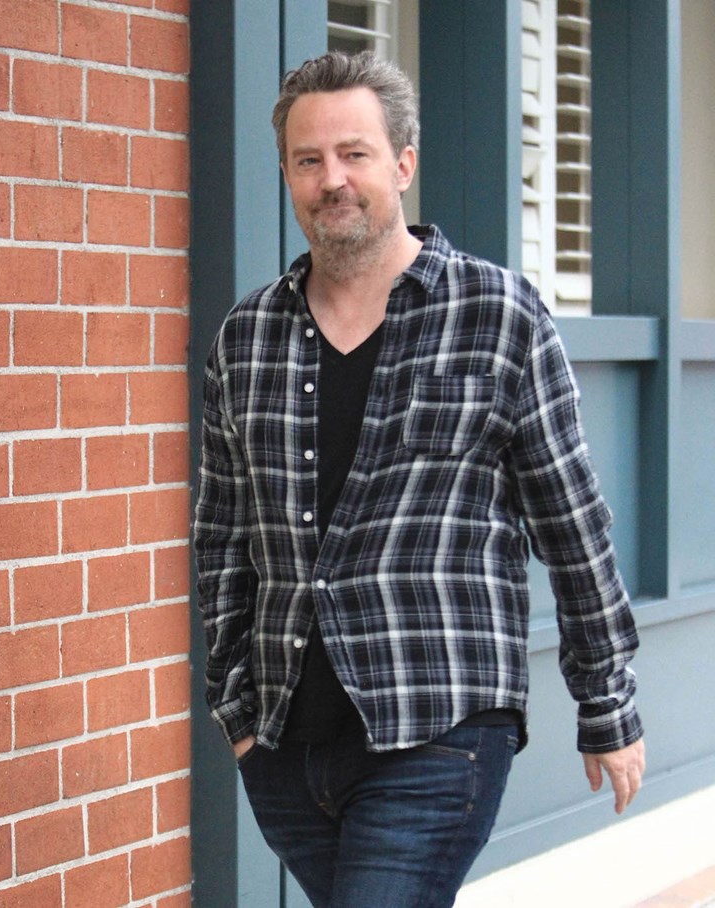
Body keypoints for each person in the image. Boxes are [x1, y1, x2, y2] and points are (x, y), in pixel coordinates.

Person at [194, 50, 645, 908]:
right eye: (308, 159)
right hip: (286, 749)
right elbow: (221, 535)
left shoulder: (499, 315)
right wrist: (237, 713)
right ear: (287, 175)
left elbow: (572, 524)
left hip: (440, 729)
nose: (332, 179)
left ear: (403, 163)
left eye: (355, 153)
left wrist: (607, 704)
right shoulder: (245, 338)